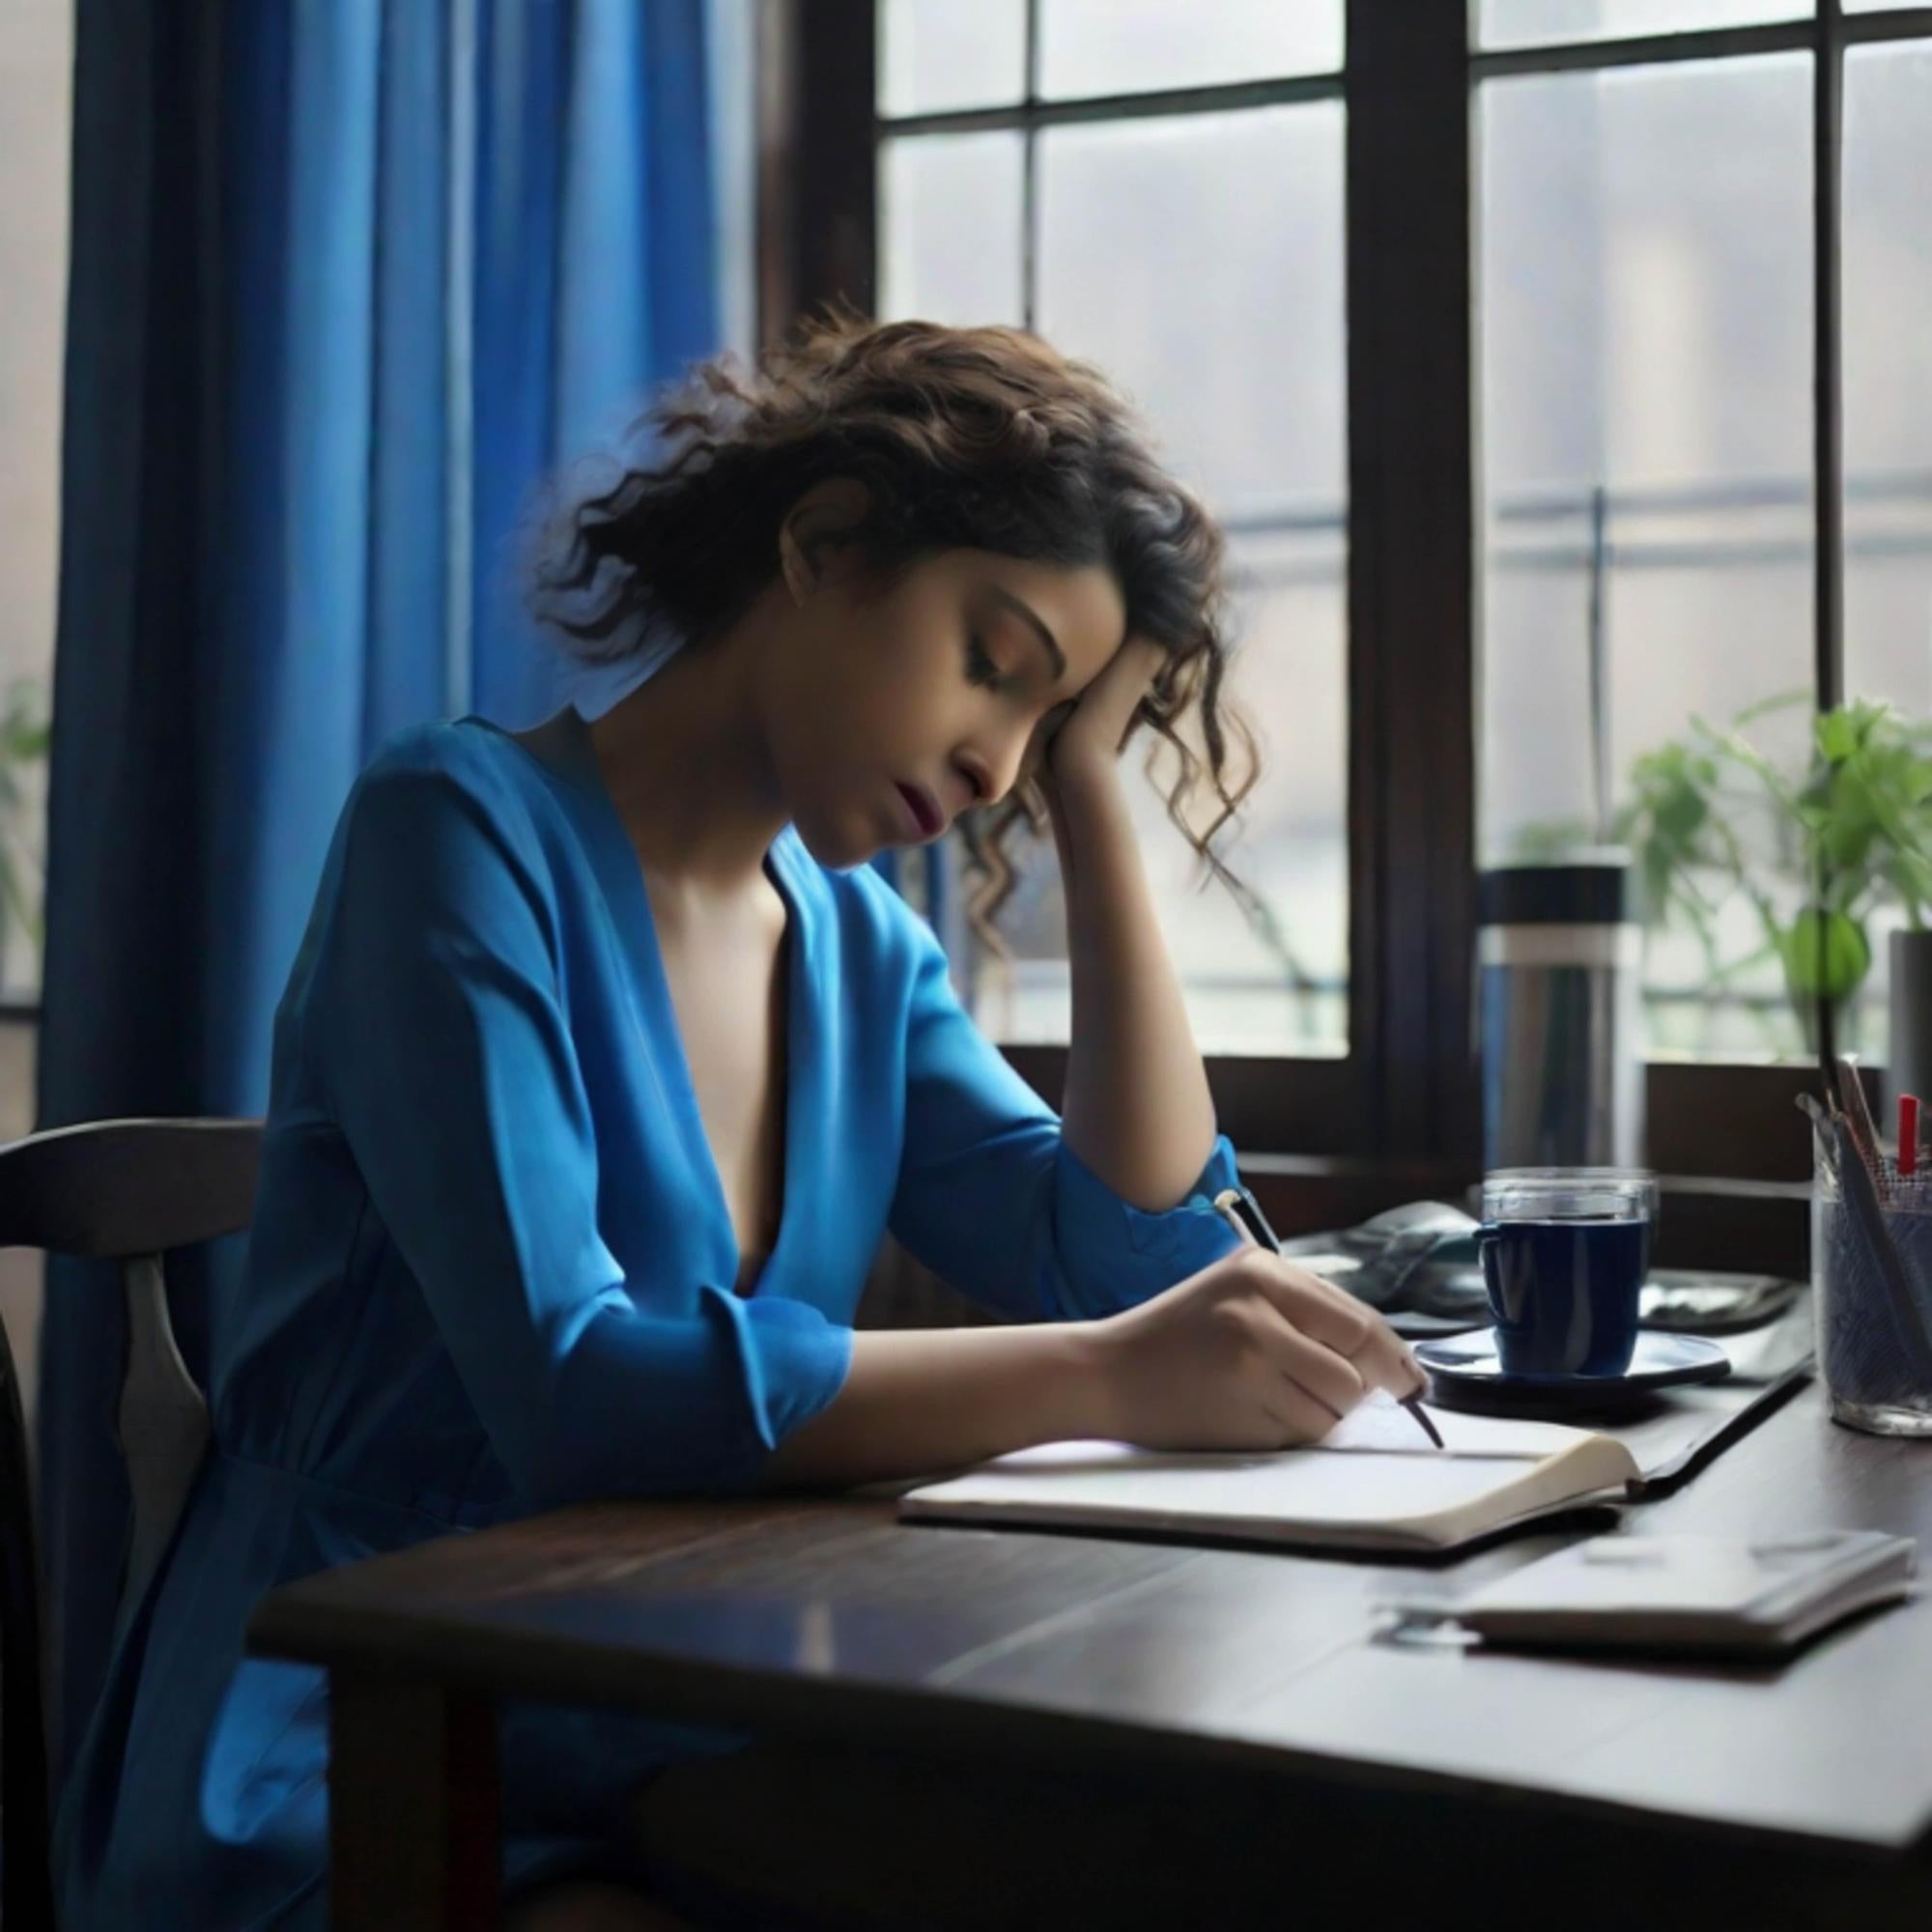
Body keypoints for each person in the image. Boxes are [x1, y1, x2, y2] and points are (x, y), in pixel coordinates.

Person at [50, 316, 1425, 1930]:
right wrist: (1117, 1378)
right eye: (994, 664)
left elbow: (1128, 1253)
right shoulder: (455, 834)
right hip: (350, 1735)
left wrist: (1099, 798)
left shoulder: (858, 954)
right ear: (827, 542)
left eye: (1041, 728)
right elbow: (573, 1385)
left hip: (668, 1695)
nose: (995, 765)